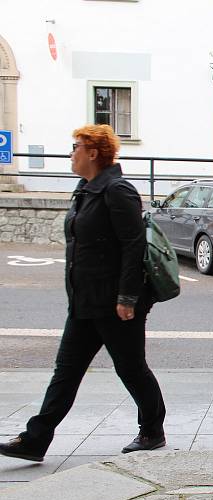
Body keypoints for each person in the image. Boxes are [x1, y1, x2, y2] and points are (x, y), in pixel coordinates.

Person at [0, 125, 166, 463]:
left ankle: (152, 431)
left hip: (115, 303)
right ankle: (36, 439)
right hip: (84, 301)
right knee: (66, 371)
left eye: (76, 147)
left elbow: (133, 246)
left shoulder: (118, 191)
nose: (71, 153)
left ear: (93, 152)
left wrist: (127, 298)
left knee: (131, 368)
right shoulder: (85, 189)